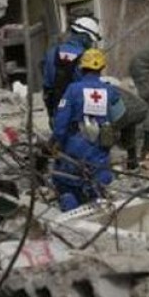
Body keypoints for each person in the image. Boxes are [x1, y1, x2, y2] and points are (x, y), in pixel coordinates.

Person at [51, 49, 123, 211]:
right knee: (99, 183)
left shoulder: (73, 89)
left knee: (66, 183)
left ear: (81, 68)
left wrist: (56, 142)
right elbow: (120, 116)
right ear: (101, 68)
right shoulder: (110, 91)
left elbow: (60, 126)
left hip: (75, 148)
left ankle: (71, 211)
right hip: (100, 151)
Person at [41, 16, 101, 124]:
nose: (91, 44)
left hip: (58, 111)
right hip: (79, 114)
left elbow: (47, 87)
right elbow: (91, 88)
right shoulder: (87, 57)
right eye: (90, 40)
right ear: (84, 37)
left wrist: (51, 115)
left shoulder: (51, 53)